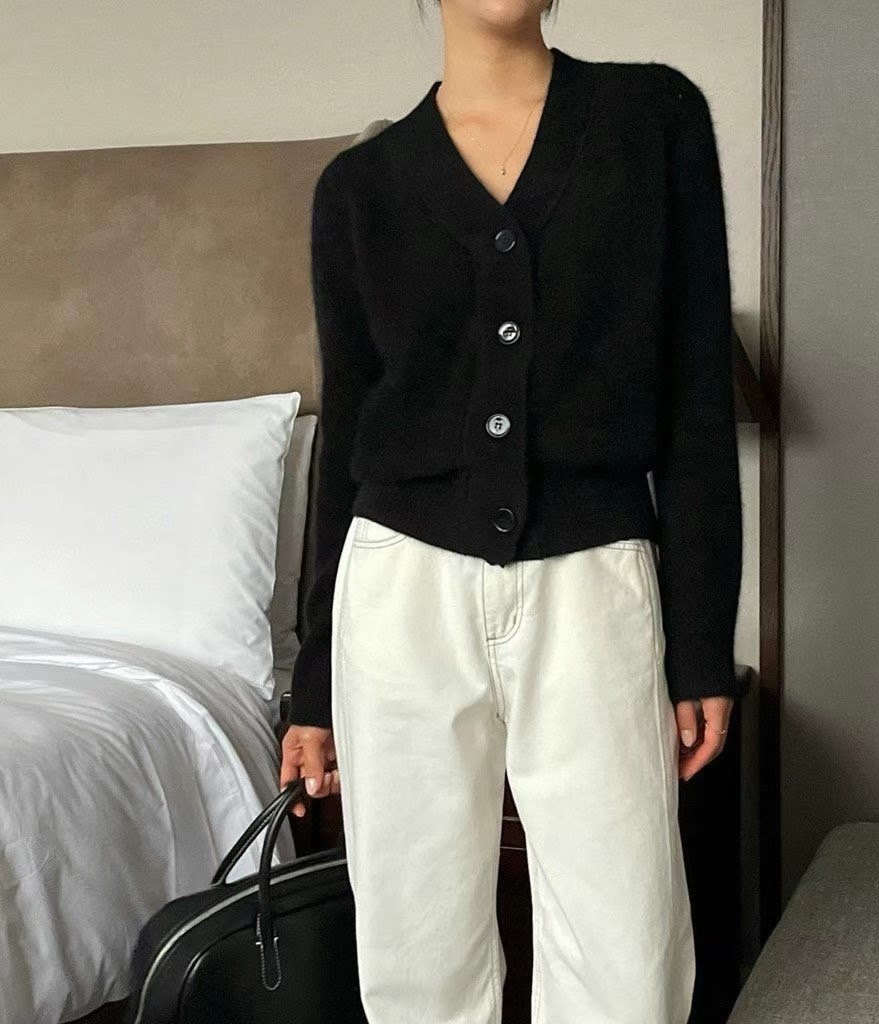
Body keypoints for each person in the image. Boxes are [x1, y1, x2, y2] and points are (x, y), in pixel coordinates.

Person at [280, 2, 744, 1020]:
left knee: (626, 948)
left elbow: (697, 393)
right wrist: (314, 687)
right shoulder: (358, 188)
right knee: (416, 951)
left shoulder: (650, 119)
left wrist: (703, 641)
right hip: (398, 589)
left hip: (593, 578)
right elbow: (350, 432)